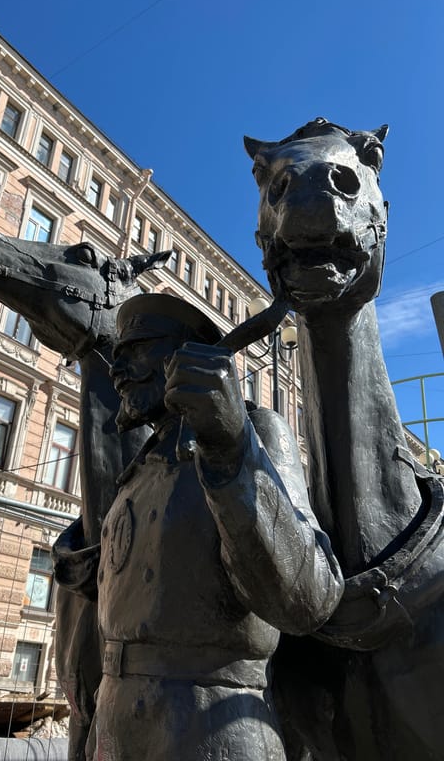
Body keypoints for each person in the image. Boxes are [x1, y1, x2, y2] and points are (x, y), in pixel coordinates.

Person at [53, 293, 343, 760]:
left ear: (186, 357)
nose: (117, 370)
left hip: (211, 730)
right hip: (115, 730)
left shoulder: (256, 431)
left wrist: (230, 448)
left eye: (136, 350)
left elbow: (309, 599)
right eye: (117, 355)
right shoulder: (137, 473)